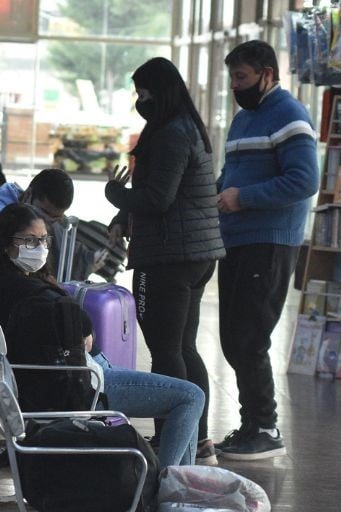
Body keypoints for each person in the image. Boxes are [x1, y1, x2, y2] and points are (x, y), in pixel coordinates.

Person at [0, 203, 201, 468]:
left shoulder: (2, 281)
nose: (38, 247)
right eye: (29, 240)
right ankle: (169, 484)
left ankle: (177, 483)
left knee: (186, 396)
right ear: (6, 243)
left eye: (42, 240)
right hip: (88, 382)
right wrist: (82, 330)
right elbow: (74, 318)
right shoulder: (22, 290)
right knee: (191, 397)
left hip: (81, 372)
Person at [105, 57, 225, 465]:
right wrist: (125, 215)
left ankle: (174, 442)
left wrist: (115, 195)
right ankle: (199, 441)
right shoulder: (184, 128)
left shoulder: (173, 134)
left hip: (170, 257)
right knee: (183, 347)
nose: (139, 100)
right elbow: (160, 192)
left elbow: (158, 199)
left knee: (166, 350)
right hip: (192, 253)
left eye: (143, 92)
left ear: (161, 91)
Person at [213, 40, 319, 461]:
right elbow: (230, 175)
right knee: (232, 337)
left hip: (270, 240)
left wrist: (244, 198)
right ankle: (250, 423)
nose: (236, 86)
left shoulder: (290, 115)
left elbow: (304, 180)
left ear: (267, 74)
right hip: (237, 239)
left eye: (242, 77)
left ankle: (266, 427)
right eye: (233, 78)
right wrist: (219, 194)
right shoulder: (243, 120)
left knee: (249, 335)